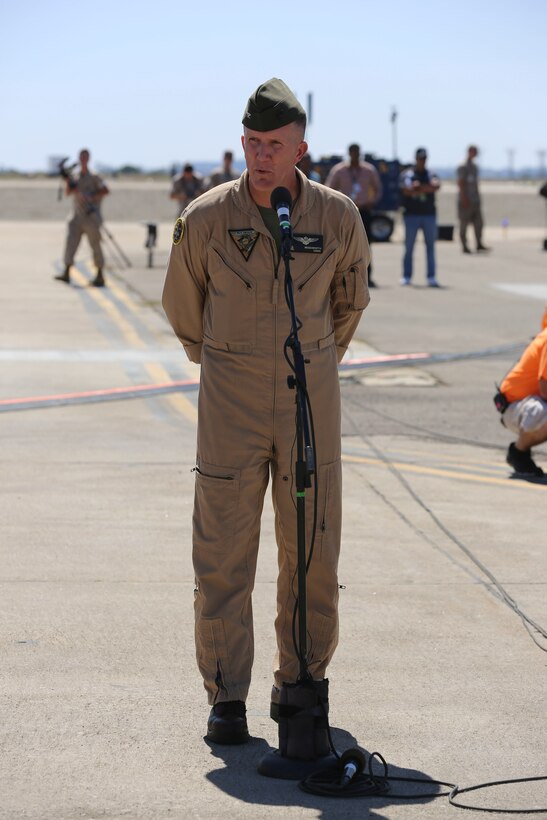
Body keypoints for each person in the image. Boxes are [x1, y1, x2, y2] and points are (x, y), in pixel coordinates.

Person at [162, 78, 370, 745]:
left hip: (311, 398)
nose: (259, 155)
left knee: (311, 547)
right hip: (230, 400)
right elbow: (181, 305)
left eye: (273, 145)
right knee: (222, 552)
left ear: (300, 147)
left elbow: (349, 300)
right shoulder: (204, 218)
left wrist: (315, 358)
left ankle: (300, 683)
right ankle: (226, 695)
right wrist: (222, 359)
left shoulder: (336, 215)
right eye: (251, 142)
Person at [495, 307, 547, 477]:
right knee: (541, 413)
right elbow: (545, 389)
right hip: (516, 407)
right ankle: (519, 452)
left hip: (534, 401)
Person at [325, 144, 382, 287]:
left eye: (357, 153)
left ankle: (367, 277)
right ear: (349, 153)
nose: (355, 155)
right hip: (345, 212)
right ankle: (342, 278)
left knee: (365, 245)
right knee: (342, 245)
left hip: (364, 211)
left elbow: (378, 188)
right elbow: (328, 189)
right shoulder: (340, 170)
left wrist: (371, 202)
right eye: (353, 153)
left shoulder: (368, 170)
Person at [55, 149, 109, 287]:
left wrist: (92, 196)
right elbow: (68, 192)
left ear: (89, 158)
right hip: (76, 216)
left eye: (85, 157)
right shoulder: (74, 176)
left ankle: (99, 274)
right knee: (70, 244)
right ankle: (67, 271)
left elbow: (105, 190)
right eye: (81, 157)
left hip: (91, 217)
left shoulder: (95, 176)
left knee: (95, 245)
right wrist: (68, 182)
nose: (83, 159)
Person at [399, 147, 441, 287]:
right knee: (409, 247)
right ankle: (406, 276)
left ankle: (431, 276)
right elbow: (407, 190)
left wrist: (419, 188)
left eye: (424, 159)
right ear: (415, 159)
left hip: (429, 214)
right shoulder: (408, 174)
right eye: (420, 158)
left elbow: (435, 186)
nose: (422, 161)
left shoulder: (431, 173)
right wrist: (424, 188)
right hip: (412, 215)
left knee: (430, 247)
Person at [457, 145, 490, 254]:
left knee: (479, 223)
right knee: (464, 224)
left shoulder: (475, 167)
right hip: (465, 200)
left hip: (475, 200)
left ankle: (479, 243)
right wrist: (464, 199)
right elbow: (461, 184)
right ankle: (464, 245)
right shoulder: (463, 166)